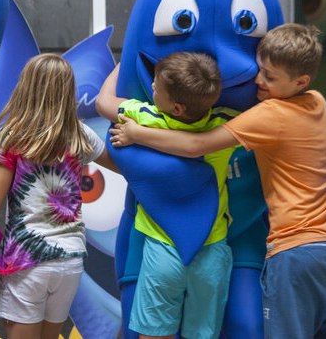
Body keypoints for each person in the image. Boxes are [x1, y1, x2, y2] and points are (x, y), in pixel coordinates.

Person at [111, 24, 326, 339]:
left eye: (270, 77)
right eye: (260, 70)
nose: (258, 80)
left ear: (301, 81)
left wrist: (137, 133)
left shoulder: (269, 114)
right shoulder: (318, 102)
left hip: (294, 248)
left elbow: (195, 146)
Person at [0, 54, 118, 339]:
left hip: (29, 258)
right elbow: (121, 165)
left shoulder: (14, 135)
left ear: (26, 86)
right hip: (70, 259)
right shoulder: (80, 134)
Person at [95, 51, 234, 339]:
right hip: (211, 250)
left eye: (157, 88)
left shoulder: (147, 118)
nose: (152, 88)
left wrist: (123, 62)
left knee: (155, 334)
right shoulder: (225, 123)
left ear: (177, 108)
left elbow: (103, 102)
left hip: (163, 249)